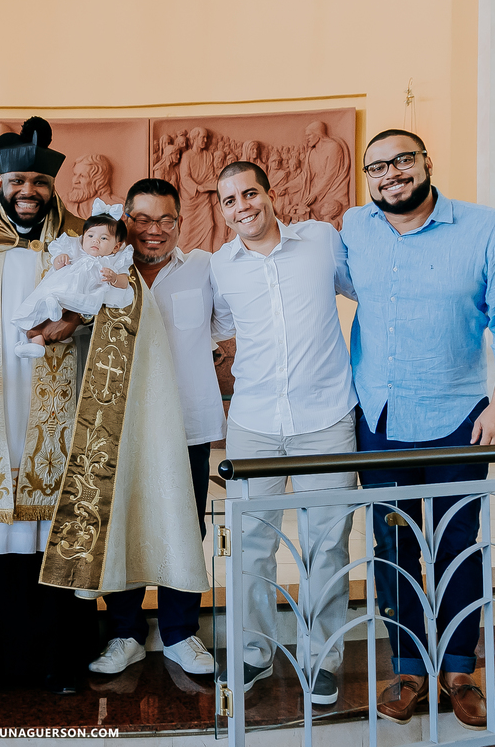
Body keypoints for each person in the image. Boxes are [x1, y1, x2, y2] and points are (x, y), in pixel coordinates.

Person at [0, 116, 208, 695]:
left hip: (62, 415)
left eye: (40, 183)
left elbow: (119, 303)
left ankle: (59, 660)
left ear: (53, 188)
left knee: (60, 529)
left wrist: (76, 318)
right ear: (0, 181)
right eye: (18, 181)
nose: (28, 191)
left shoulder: (83, 242)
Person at [341, 129, 495, 731]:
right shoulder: (354, 227)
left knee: (456, 544)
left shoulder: (486, 229)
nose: (390, 173)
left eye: (402, 160)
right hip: (379, 418)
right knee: (393, 548)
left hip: (458, 418)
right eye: (377, 166)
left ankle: (458, 671)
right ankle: (407, 670)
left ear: (426, 162)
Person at [209, 161, 358, 706]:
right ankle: (253, 652)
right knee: (250, 544)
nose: (242, 206)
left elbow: (365, 290)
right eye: (230, 200)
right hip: (254, 422)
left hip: (327, 418)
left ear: (270, 194)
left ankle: (323, 657)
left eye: (250, 193)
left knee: (327, 543)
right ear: (223, 211)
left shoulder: (321, 242)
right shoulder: (220, 266)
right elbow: (220, 326)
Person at [88, 178, 223, 678]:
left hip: (187, 424)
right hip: (120, 424)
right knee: (121, 526)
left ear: (179, 222)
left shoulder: (204, 269)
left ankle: (180, 634)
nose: (154, 229)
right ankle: (125, 634)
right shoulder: (101, 271)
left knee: (185, 526)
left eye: (166, 219)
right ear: (124, 220)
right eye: (143, 219)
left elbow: (225, 328)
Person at [10, 201, 133, 358]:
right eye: (90, 235)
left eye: (103, 238)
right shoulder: (75, 249)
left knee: (66, 317)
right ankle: (37, 344)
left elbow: (125, 282)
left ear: (116, 246)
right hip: (62, 290)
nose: (95, 241)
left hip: (83, 297)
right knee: (38, 314)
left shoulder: (114, 260)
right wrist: (60, 260)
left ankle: (51, 320)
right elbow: (56, 266)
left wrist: (114, 278)